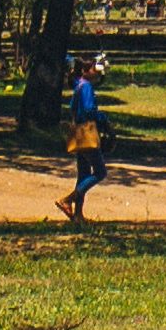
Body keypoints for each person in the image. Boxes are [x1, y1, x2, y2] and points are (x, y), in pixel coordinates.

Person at [59, 55, 109, 224]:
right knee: (100, 172)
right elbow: (88, 110)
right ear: (85, 71)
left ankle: (78, 215)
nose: (96, 72)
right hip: (87, 132)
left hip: (78, 134)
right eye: (94, 69)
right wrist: (103, 118)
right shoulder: (86, 87)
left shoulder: (78, 86)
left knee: (84, 174)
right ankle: (68, 199)